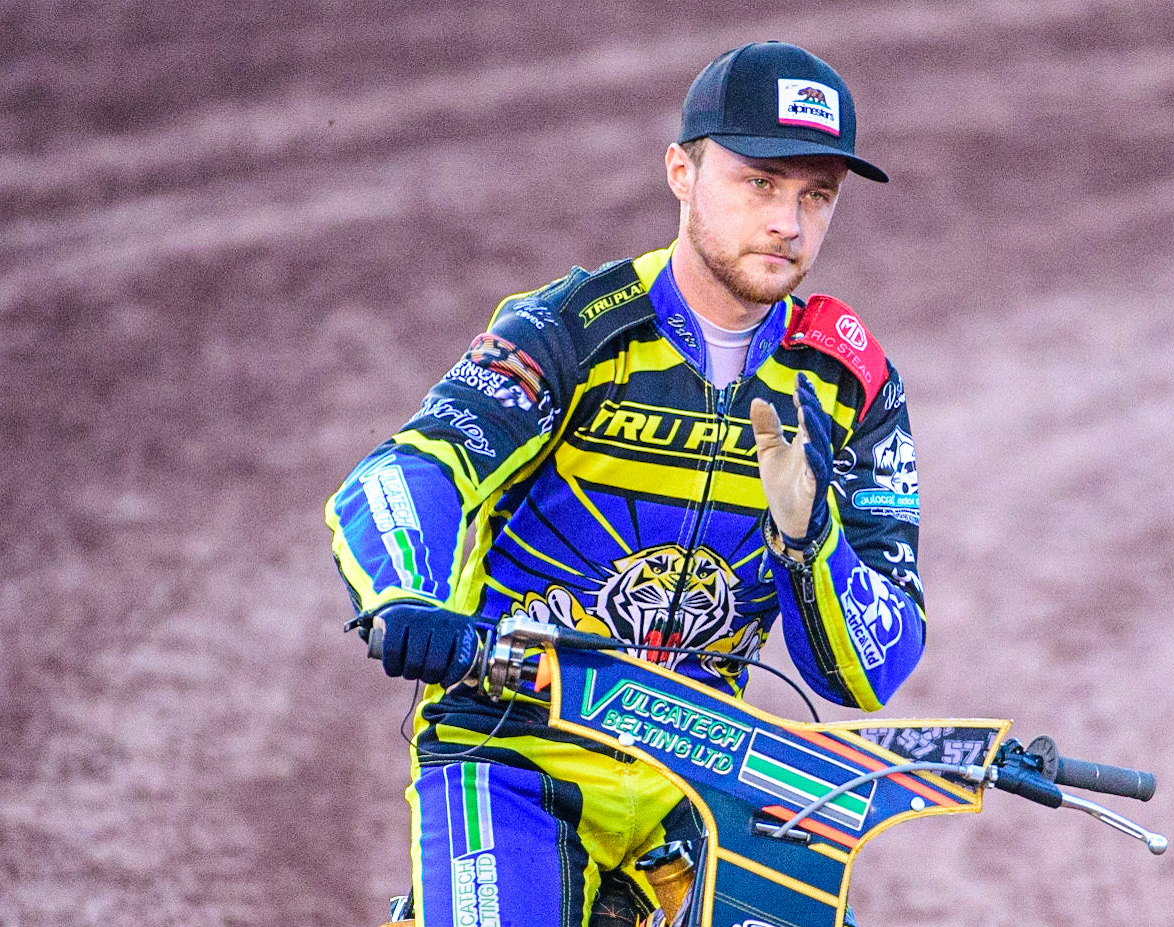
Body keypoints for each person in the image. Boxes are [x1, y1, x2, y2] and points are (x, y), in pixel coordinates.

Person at [326, 40, 926, 927]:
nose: (788, 223)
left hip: (697, 784)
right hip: (512, 752)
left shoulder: (849, 382)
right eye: (760, 183)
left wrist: (811, 544)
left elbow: (877, 665)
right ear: (682, 172)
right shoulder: (573, 327)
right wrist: (408, 595)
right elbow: (413, 468)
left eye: (816, 195)